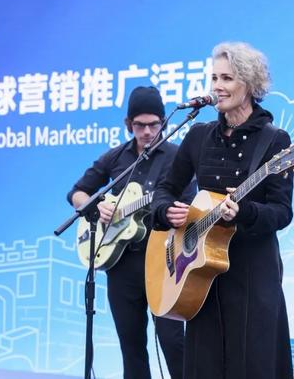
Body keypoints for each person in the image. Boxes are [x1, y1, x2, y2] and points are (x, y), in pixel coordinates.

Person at [151, 42, 294, 379]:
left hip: (252, 277)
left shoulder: (275, 141)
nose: (217, 86)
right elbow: (165, 189)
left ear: (250, 84)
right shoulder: (199, 136)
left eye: (227, 78)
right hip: (200, 278)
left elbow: (282, 211)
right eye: (214, 78)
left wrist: (244, 213)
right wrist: (165, 211)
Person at [67, 86, 196, 379]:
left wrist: (173, 211)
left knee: (173, 342)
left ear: (163, 122)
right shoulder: (116, 157)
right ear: (129, 125)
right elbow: (77, 193)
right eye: (140, 125)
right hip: (122, 264)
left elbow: (189, 203)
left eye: (154, 124)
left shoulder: (178, 157)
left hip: (164, 261)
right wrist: (97, 205)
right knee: (131, 345)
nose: (147, 132)